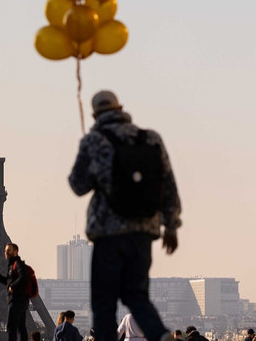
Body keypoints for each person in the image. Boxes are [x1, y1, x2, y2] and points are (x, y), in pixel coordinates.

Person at [69, 91, 181, 341]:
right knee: (137, 295)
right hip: (143, 231)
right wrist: (171, 227)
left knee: (104, 301)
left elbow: (78, 185)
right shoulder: (151, 138)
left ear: (95, 114)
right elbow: (169, 185)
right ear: (121, 108)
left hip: (108, 232)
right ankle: (161, 335)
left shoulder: (95, 141)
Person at [0, 243, 29, 341]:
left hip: (17, 300)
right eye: (5, 250)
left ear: (15, 251)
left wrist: (13, 286)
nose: (6, 252)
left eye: (8, 250)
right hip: (21, 300)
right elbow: (9, 282)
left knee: (11, 327)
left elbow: (23, 277)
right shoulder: (12, 265)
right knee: (21, 327)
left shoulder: (17, 264)